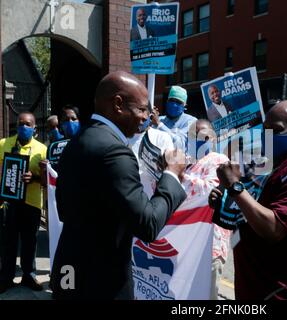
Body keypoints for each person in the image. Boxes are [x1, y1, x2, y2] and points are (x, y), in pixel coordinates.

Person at [50, 71, 187, 300]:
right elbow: (148, 224)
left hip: (68, 271)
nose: (146, 117)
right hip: (101, 282)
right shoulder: (115, 152)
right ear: (118, 104)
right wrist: (171, 174)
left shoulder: (77, 142)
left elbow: (64, 208)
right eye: (142, 109)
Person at [209, 100, 287, 299]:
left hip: (277, 288)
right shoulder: (266, 164)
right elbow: (247, 208)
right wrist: (223, 200)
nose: (267, 135)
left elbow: (275, 230)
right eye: (265, 128)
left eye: (275, 130)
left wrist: (235, 188)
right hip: (249, 279)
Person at [0, 112, 47, 294]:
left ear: (34, 128)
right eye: (20, 124)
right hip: (9, 202)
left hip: (32, 203)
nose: (23, 127)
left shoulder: (42, 149)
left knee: (30, 242)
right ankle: (6, 278)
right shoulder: (4, 144)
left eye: (28, 124)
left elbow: (46, 181)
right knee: (8, 241)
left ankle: (29, 275)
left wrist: (34, 176)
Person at [187, 119, 231, 300]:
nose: (199, 138)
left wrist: (178, 175)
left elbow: (209, 192)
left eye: (203, 135)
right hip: (187, 242)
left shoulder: (220, 161)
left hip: (210, 245)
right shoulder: (187, 161)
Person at [151, 85, 197, 151]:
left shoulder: (191, 121)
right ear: (167, 102)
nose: (174, 104)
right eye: (171, 100)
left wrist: (159, 125)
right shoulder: (159, 119)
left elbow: (179, 144)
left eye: (178, 102)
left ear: (184, 105)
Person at [46, 105, 81, 172]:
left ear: (80, 121)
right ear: (61, 123)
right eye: (66, 120)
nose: (70, 122)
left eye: (74, 119)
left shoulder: (88, 143)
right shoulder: (53, 147)